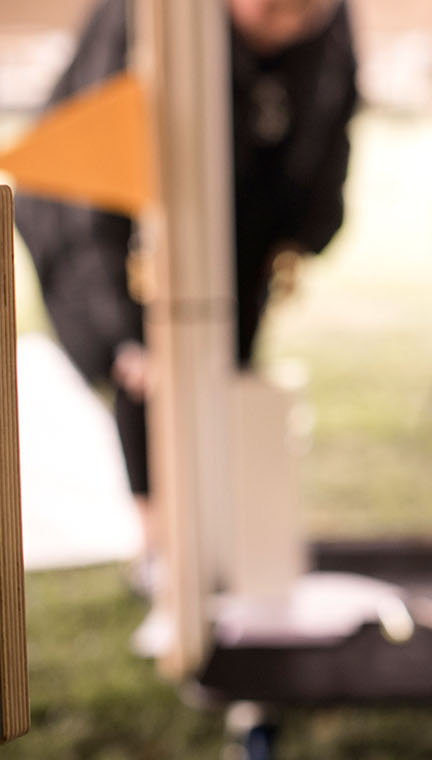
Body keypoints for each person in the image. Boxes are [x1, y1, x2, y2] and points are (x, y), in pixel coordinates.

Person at [14, 0, 357, 642]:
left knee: (225, 367)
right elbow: (91, 203)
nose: (285, 25)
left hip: (234, 224)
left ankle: (212, 533)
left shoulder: (328, 24)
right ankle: (156, 544)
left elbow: (332, 127)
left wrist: (305, 230)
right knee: (146, 375)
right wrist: (122, 330)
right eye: (272, 10)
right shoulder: (150, 19)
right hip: (117, 228)